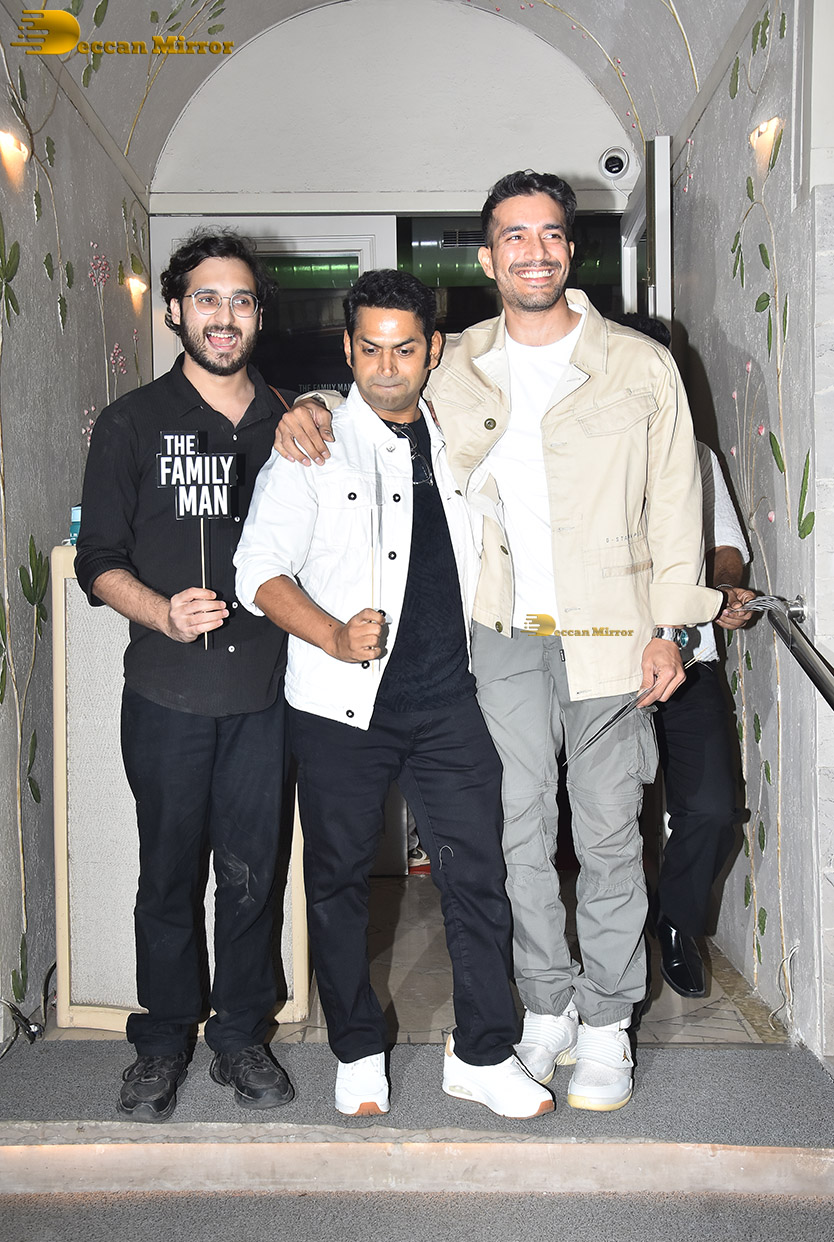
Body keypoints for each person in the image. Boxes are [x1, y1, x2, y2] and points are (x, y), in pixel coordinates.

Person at [274, 172, 723, 1112]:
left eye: (549, 234)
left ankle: (607, 1021)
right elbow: (378, 387)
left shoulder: (640, 364)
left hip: (614, 633)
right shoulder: (460, 361)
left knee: (608, 833)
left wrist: (673, 628)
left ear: (571, 249)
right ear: (488, 257)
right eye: (513, 236)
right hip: (503, 634)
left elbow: (681, 503)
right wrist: (308, 404)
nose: (533, 251)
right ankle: (546, 1004)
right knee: (516, 835)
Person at [234, 269, 554, 1121]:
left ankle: (484, 1053)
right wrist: (333, 633)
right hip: (340, 707)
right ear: (347, 349)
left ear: (432, 350)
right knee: (338, 882)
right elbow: (256, 570)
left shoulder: (459, 430)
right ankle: (357, 1048)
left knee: (477, 877)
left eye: (404, 349)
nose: (385, 367)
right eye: (369, 349)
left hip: (449, 701)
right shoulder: (314, 443)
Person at [75, 230, 296, 1122]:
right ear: (175, 309)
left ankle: (241, 1036)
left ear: (257, 314)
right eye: (207, 298)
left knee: (252, 877)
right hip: (166, 694)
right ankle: (163, 1041)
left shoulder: (291, 421)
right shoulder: (130, 422)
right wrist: (160, 611)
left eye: (240, 300)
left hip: (267, 696)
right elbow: (98, 559)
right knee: (168, 876)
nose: (224, 315)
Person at [614, 314, 756, 997]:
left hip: (689, 659)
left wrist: (721, 590)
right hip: (607, 664)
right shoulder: (581, 452)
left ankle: (676, 921)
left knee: (714, 807)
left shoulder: (696, 455)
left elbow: (726, 547)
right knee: (602, 815)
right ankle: (604, 942)